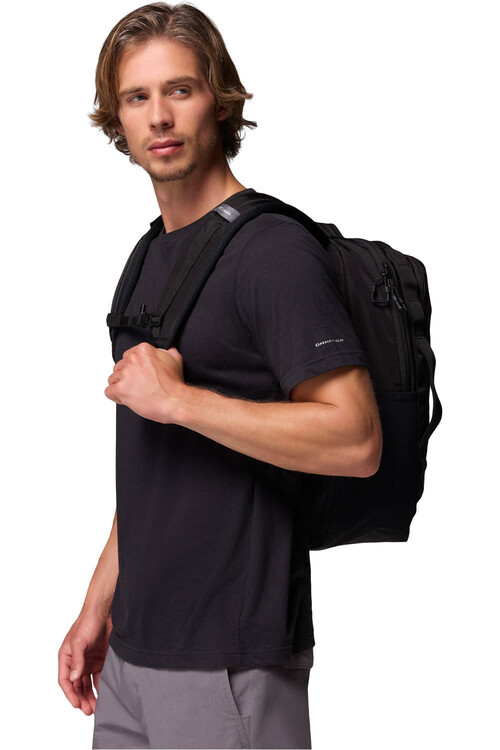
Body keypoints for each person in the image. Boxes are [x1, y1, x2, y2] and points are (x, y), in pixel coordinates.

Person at [57, 3, 382, 748]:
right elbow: (156, 466)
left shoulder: (271, 252)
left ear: (219, 99)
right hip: (132, 656)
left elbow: (357, 438)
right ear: (118, 119)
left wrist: (180, 400)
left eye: (180, 89)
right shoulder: (150, 254)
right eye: (137, 97)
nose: (159, 116)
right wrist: (97, 605)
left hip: (230, 663)